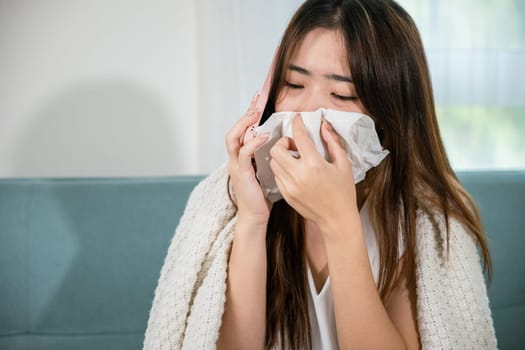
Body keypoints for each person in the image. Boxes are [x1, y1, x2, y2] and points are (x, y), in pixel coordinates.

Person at [143, 1, 497, 349]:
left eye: (342, 93)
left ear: (391, 113)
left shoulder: (423, 219)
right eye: (294, 84)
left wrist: (339, 223)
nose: (305, 112)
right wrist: (252, 218)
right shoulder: (230, 195)